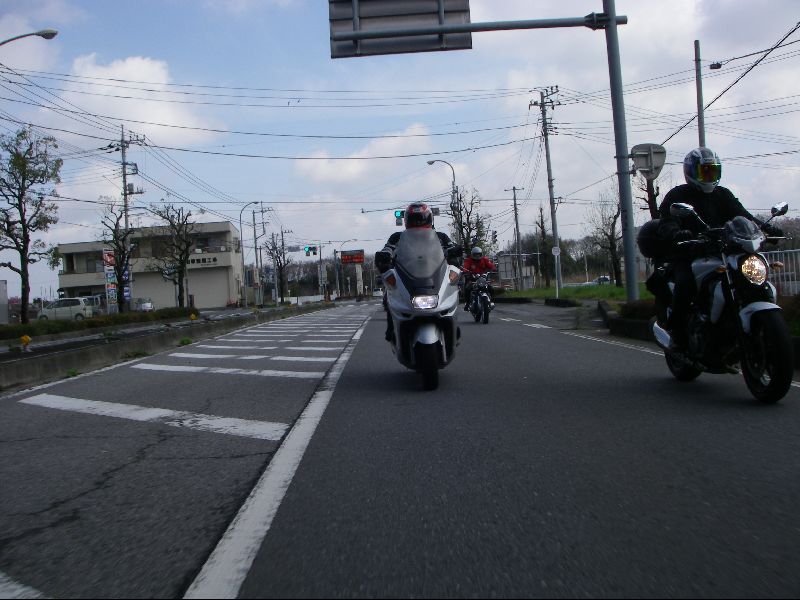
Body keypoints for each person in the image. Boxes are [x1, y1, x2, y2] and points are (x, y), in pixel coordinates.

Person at [657, 147, 782, 350]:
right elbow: (667, 221)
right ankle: (677, 336)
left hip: (723, 251)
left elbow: (743, 215)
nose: (709, 176)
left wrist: (766, 228)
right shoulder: (678, 195)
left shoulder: (723, 194)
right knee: (686, 284)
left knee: (749, 278)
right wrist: (676, 233)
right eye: (704, 171)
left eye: (713, 171)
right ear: (691, 172)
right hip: (690, 253)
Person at [375, 202, 462, 341]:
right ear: (407, 220)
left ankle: (453, 325)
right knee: (389, 296)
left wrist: (455, 251)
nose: (418, 222)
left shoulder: (440, 237)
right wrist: (385, 254)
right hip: (406, 275)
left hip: (435, 275)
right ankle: (391, 328)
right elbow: (388, 249)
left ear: (429, 219)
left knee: (453, 290)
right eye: (414, 219)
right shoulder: (397, 237)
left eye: (421, 219)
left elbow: (451, 250)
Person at [461, 246, 496, 311]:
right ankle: (467, 303)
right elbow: (465, 268)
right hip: (472, 279)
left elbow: (491, 266)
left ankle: (491, 301)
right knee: (467, 289)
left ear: (481, 254)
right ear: (472, 254)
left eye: (478, 254)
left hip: (483, 279)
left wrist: (492, 270)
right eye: (475, 254)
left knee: (491, 288)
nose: (477, 256)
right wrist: (465, 272)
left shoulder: (485, 259)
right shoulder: (469, 260)